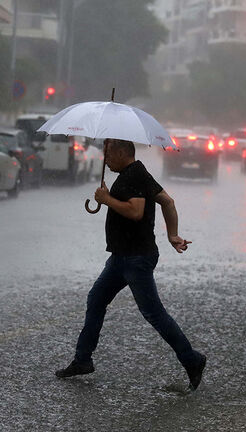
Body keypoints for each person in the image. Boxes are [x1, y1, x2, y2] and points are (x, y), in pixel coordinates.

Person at [55, 138, 207, 390]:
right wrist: (172, 235)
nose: (106, 159)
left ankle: (192, 360)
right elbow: (168, 202)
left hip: (135, 258)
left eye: (108, 154)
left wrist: (106, 199)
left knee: (154, 314)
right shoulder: (136, 173)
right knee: (96, 299)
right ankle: (83, 360)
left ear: (122, 152)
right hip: (121, 257)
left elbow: (136, 212)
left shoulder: (133, 175)